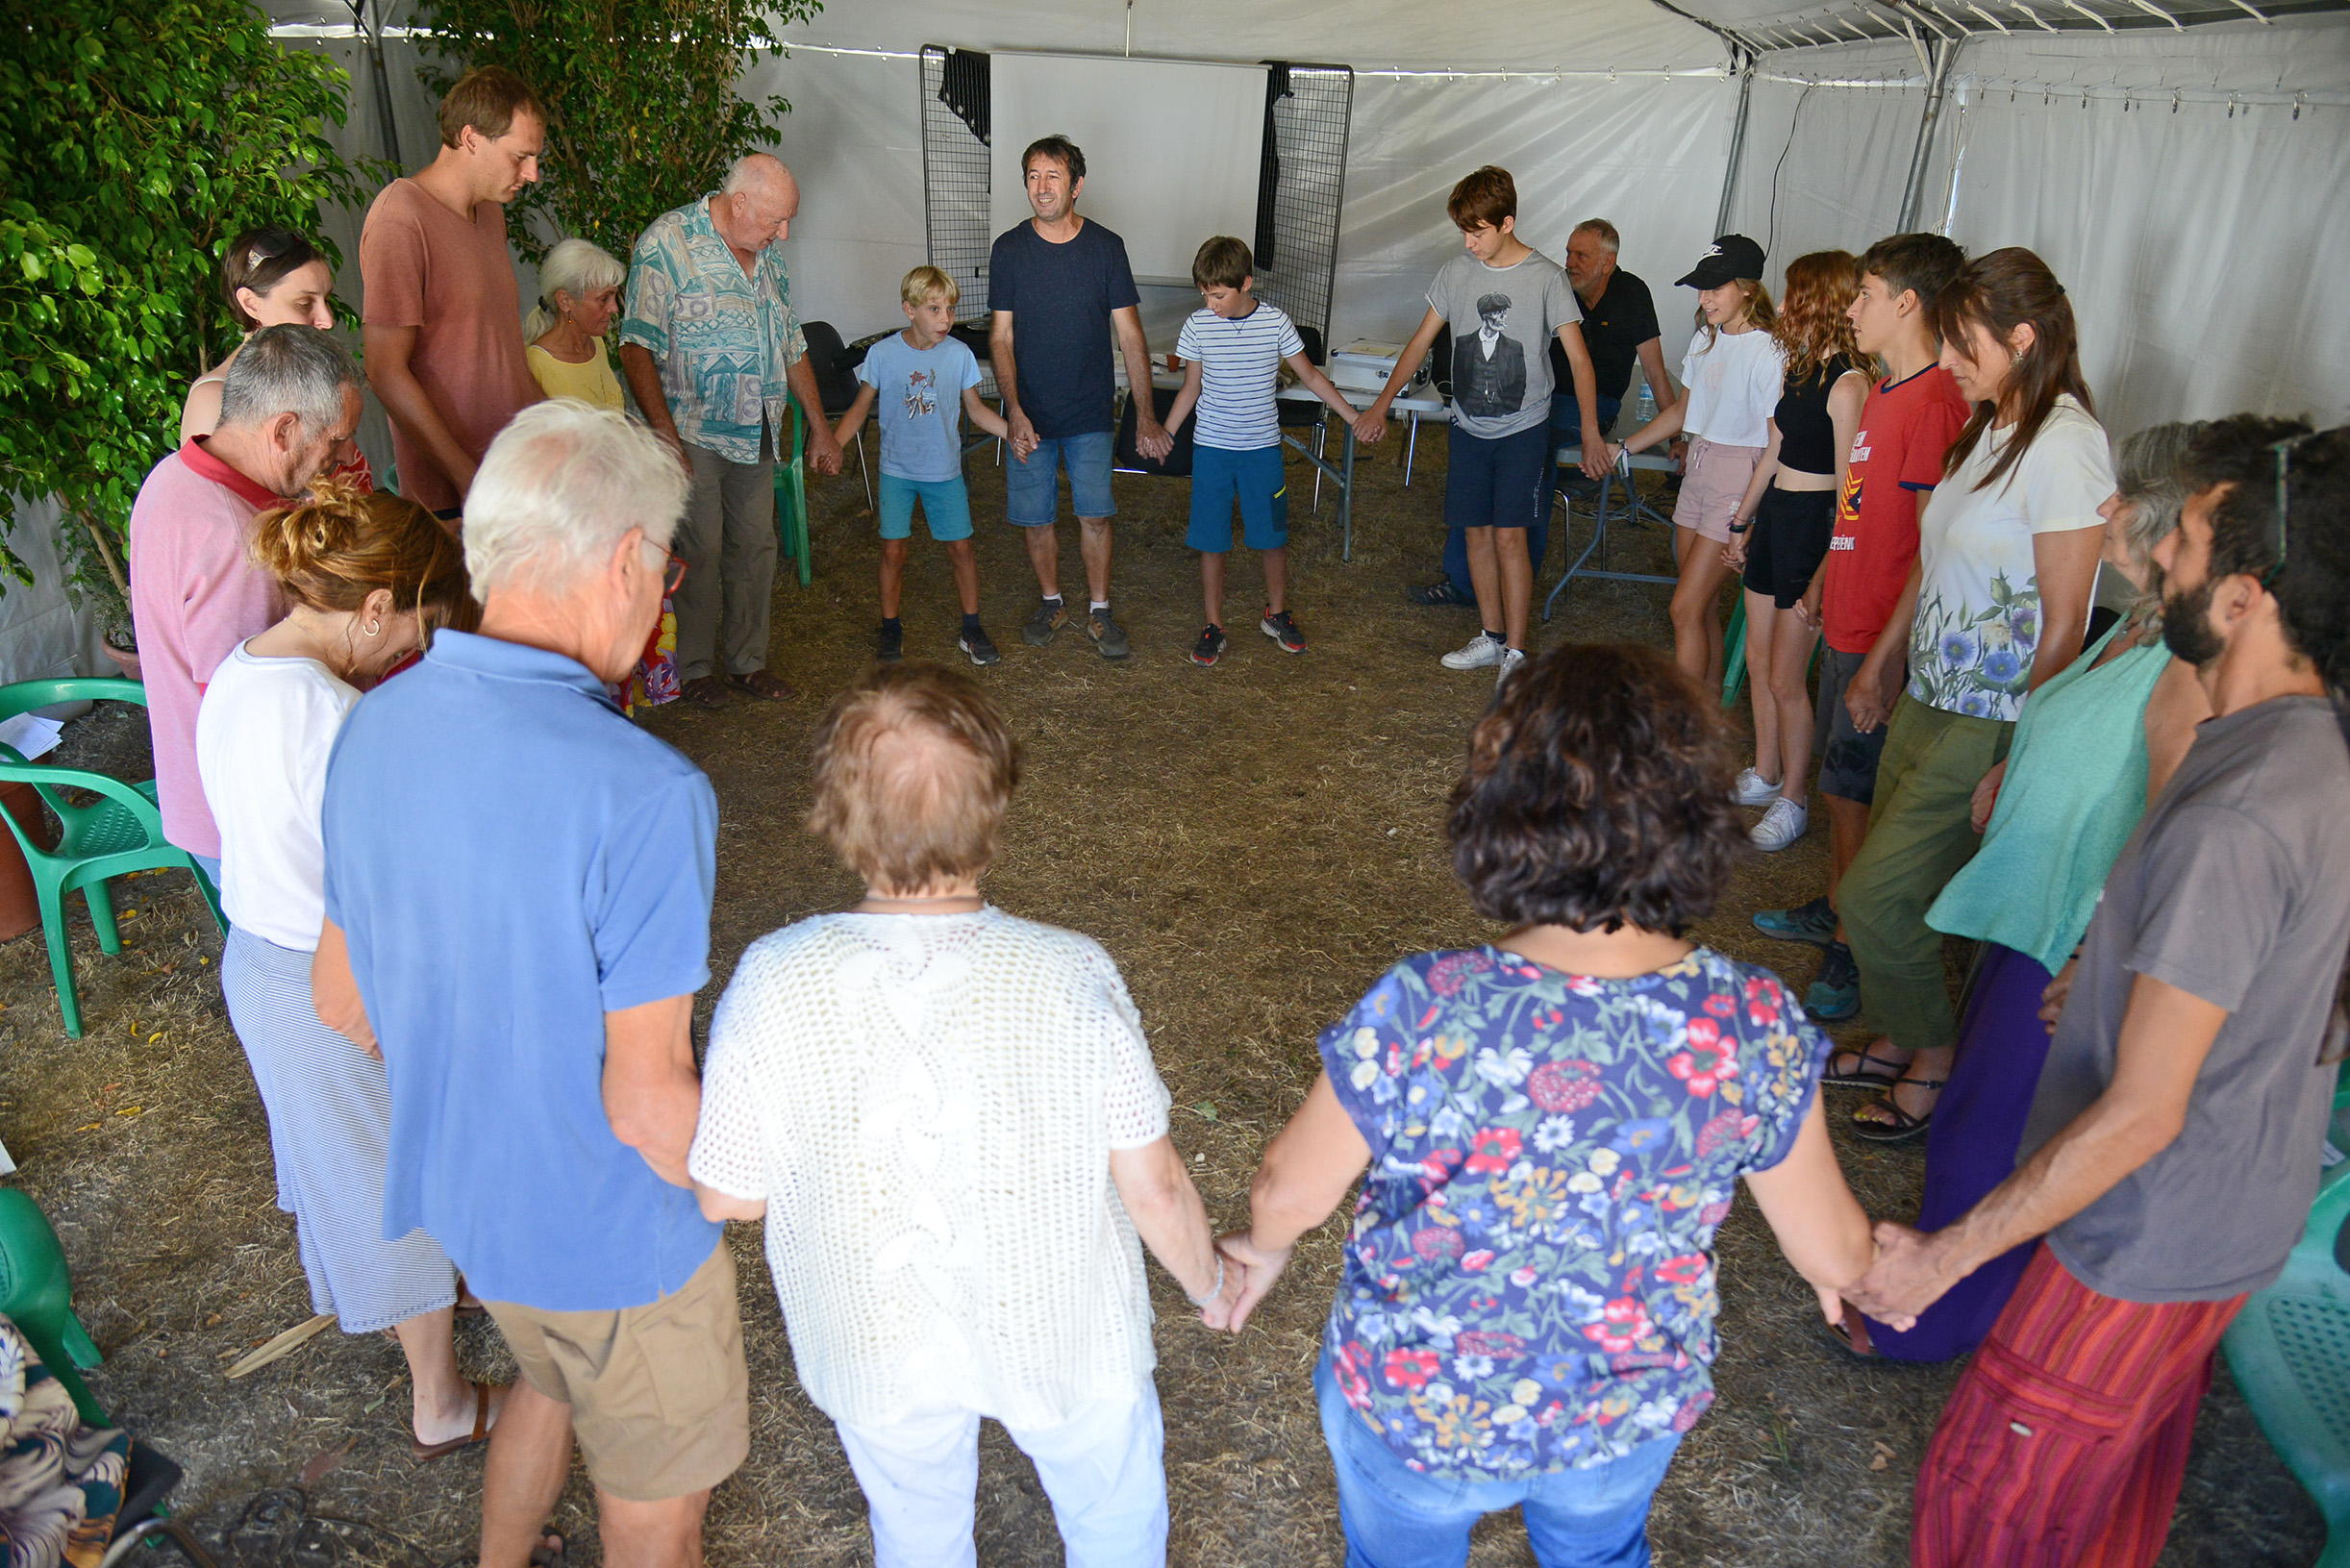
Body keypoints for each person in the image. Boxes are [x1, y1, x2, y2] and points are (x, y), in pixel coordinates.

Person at [1215, 642, 1879, 1567]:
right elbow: (1835, 1253)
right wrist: (1849, 1265)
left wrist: (1264, 1246)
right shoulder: (1750, 1019)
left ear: (1502, 810)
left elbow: (1289, 1189)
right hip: (1619, 1418)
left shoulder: (1426, 1002)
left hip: (1416, 1405)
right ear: (1696, 815)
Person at [1849, 416, 2350, 1567]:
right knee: (2099, 1515)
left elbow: (2142, 1113)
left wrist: (1939, 1255)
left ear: (2244, 598)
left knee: (1987, 1510)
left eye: (2184, 538)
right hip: (2227, 1222)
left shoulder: (2236, 809)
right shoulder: (2303, 743)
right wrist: (2125, 966)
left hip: (2143, 1238)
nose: (2158, 550)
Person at [312, 403, 747, 1568]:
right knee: (658, 1513)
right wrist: (766, 1188)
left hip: (473, 1210)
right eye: (664, 570)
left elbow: (339, 999)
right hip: (612, 1239)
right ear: (625, 559)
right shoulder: (645, 791)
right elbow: (647, 1106)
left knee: (546, 1385)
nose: (660, 597)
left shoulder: (373, 726)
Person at [688, 660, 1239, 1568]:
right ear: (994, 811)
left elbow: (728, 1197)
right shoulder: (1070, 970)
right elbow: (1155, 1185)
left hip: (873, 1330)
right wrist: (1209, 1284)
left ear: (834, 813)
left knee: (917, 1531)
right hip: (1063, 1323)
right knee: (1112, 1514)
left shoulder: (774, 975)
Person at [1838, 422, 2212, 1364]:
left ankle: (1929, 1317)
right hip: (2035, 908)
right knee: (1979, 1108)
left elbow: (2170, 817)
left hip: (2072, 930)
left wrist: (2097, 942)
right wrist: (2017, 766)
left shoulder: (2189, 665)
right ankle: (1948, 1289)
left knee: (1995, 1133)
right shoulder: (2141, 623)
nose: (2106, 507)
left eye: (2128, 497)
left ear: (2179, 526)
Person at [196, 480, 499, 1459]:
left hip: (259, 958)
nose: (411, 649)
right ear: (374, 607)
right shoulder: (333, 717)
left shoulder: (241, 671)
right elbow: (385, 880)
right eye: (414, 626)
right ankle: (440, 1400)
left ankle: (450, 1288)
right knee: (385, 1180)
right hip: (331, 977)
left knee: (375, 1157)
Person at [1833, 248, 2111, 1141]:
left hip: (1994, 715)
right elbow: (1935, 556)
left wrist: (2023, 756)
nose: (1948, 360)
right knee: (1900, 891)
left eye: (1964, 344)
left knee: (1874, 895)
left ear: (2022, 338)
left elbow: (2066, 624)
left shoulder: (2066, 444)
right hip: (1931, 693)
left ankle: (1934, 1056)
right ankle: (1899, 1034)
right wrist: (1883, 662)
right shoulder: (1987, 425)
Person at [1751, 234, 1970, 1021]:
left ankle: (1851, 943)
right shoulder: (1884, 389)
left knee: (1856, 790)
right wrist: (1821, 579)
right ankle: (1841, 903)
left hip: (1878, 632)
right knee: (1843, 790)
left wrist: (1884, 659)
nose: (1852, 308)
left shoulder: (1935, 403)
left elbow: (1934, 547)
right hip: (1845, 614)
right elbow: (1856, 508)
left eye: (1866, 294)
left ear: (1907, 302)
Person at [1352, 167, 1606, 686]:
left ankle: (1517, 649)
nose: (1469, 243)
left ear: (1507, 223)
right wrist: (1381, 405)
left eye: (1478, 232)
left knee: (1511, 536)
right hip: (1468, 426)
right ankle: (1491, 637)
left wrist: (1591, 433)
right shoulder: (1457, 272)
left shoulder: (1546, 277)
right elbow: (1421, 341)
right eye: (1463, 232)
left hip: (1524, 429)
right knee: (1475, 530)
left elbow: (1580, 361)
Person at [129, 324, 362, 884]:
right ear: (283, 430)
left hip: (195, 792)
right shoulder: (239, 541)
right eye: (334, 440)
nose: (344, 456)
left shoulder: (171, 474)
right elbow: (253, 711)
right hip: (245, 822)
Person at [619, 153, 839, 707]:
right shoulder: (667, 243)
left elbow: (791, 344)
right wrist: (665, 436)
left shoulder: (768, 259)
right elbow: (635, 344)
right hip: (692, 429)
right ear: (739, 203)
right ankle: (694, 669)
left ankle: (747, 663)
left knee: (755, 546)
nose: (783, 234)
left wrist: (820, 426)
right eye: (776, 220)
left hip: (756, 427)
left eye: (787, 221)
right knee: (700, 546)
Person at [1413, 218, 1677, 609]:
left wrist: (1676, 437)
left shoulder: (1632, 294)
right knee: (1481, 469)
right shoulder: (1556, 284)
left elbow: (1654, 371)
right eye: (1568, 252)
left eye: (1581, 256)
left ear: (1608, 263)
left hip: (1593, 405)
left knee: (1535, 461)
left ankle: (1510, 581)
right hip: (1540, 398)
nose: (1570, 262)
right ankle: (1465, 579)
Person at [988, 135, 1167, 660]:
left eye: (1053, 176)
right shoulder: (1009, 250)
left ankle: (1099, 609)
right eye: (1033, 177)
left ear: (1077, 185)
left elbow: (1130, 335)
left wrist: (1146, 416)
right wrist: (1014, 411)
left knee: (1095, 514)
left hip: (1090, 409)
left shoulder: (1106, 248)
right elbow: (1000, 338)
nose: (1042, 188)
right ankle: (1052, 602)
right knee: (1036, 517)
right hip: (1030, 414)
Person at [1721, 251, 1870, 854]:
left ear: (1822, 301)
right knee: (1759, 661)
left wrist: (1827, 572)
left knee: (1787, 677)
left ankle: (1794, 800)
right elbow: (1773, 453)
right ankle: (1766, 771)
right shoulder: (1801, 368)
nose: (1782, 306)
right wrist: (1741, 521)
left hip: (1814, 527)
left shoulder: (1849, 384)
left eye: (1794, 295)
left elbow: (1851, 492)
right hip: (1778, 517)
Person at [359, 65, 545, 520]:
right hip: (453, 501)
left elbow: (496, 351)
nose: (532, 174)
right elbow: (384, 371)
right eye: (520, 157)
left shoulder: (491, 213)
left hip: (513, 474)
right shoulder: (400, 217)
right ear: (471, 138)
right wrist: (466, 477)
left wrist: (562, 425)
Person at [1161, 236, 1357, 666]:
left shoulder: (1276, 323)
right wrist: (1167, 433)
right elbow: (1191, 387)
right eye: (1205, 295)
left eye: (1218, 295)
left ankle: (1277, 613)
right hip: (1212, 449)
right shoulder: (1197, 326)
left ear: (1246, 283)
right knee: (1211, 539)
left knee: (1271, 537)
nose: (1211, 304)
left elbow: (1311, 376)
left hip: (1262, 450)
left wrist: (1352, 417)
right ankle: (1213, 624)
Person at [1607, 236, 1784, 689]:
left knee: (1684, 608)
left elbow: (1776, 441)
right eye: (1701, 288)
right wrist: (1625, 447)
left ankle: (1682, 715)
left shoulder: (1770, 350)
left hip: (1738, 476)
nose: (1704, 298)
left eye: (1715, 288)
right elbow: (1683, 411)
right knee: (1699, 607)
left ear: (1748, 288)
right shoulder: (1707, 337)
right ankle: (1708, 708)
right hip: (1699, 467)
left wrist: (1749, 513)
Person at [831, 265, 1011, 667]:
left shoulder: (959, 354)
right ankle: (890, 628)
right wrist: (833, 446)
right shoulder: (883, 354)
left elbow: (977, 410)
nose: (945, 319)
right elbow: (859, 409)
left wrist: (1012, 433)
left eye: (950, 309)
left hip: (944, 471)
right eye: (934, 309)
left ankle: (971, 628)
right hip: (897, 470)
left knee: (961, 548)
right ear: (909, 310)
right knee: (893, 550)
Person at [181, 226, 376, 493]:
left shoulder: (315, 375)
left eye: (327, 300)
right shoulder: (214, 396)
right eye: (304, 304)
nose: (328, 320)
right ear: (251, 303)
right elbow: (217, 503)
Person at [523, 236, 627, 409]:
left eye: (614, 296)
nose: (614, 308)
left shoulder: (595, 343)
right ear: (565, 301)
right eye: (603, 299)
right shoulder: (536, 363)